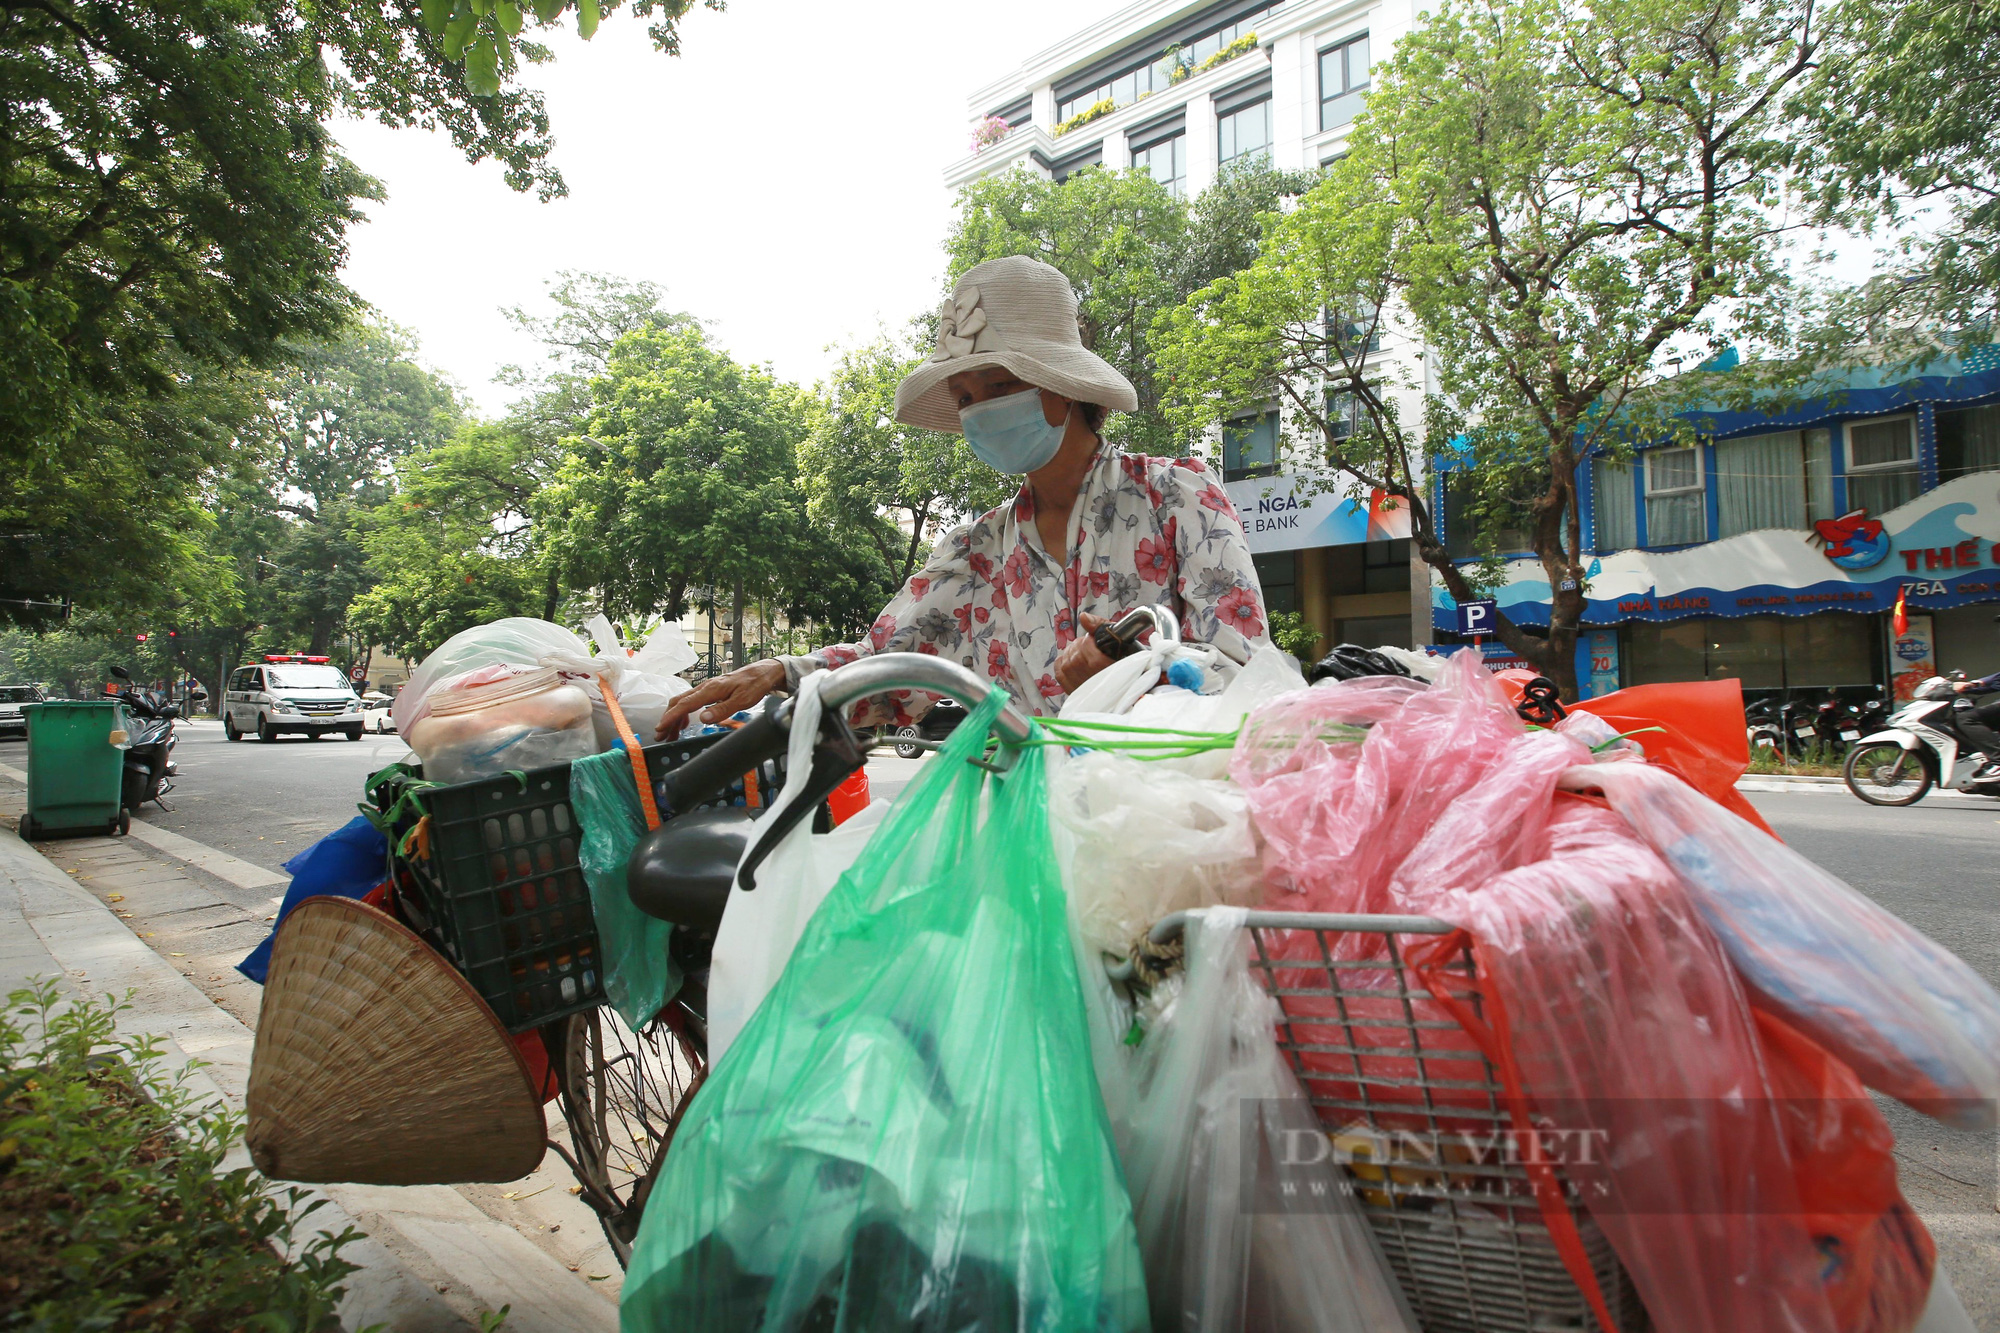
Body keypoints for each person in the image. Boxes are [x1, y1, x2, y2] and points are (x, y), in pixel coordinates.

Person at [657, 254, 1269, 738]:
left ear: (1060, 390)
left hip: (1174, 801)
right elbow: (888, 663)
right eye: (967, 398)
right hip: (1035, 813)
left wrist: (1143, 671)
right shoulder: (977, 553)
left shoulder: (1177, 497)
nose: (979, 413)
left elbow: (1245, 670)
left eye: (1000, 386)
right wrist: (782, 673)